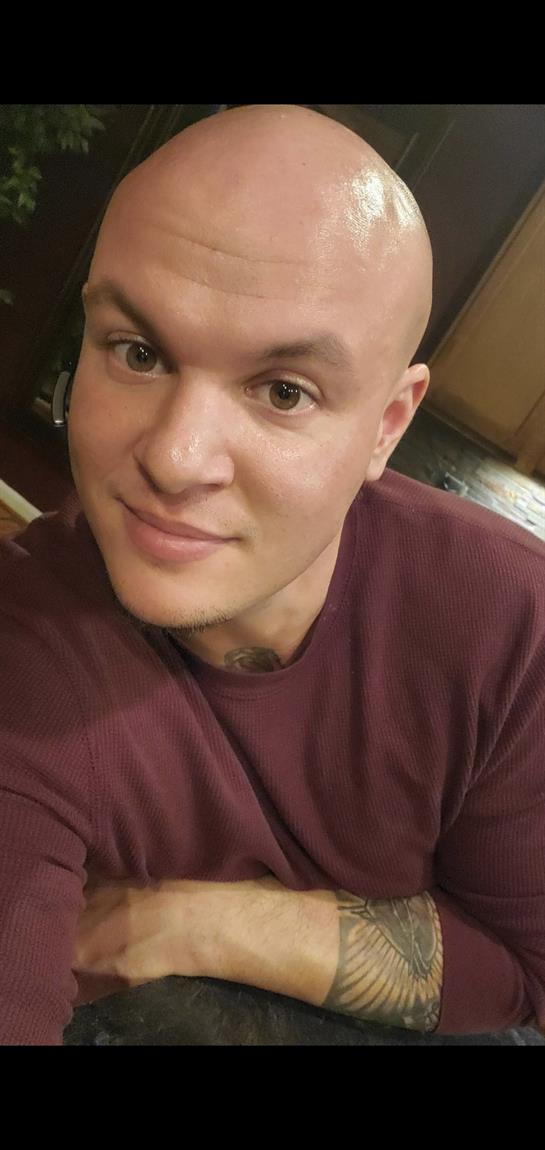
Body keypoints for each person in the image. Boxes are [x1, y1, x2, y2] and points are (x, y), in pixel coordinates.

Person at [1, 104, 544, 1046]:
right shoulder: (25, 657)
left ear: (386, 426)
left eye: (284, 391)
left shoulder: (511, 621)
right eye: (137, 353)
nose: (175, 458)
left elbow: (529, 969)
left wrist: (192, 921)